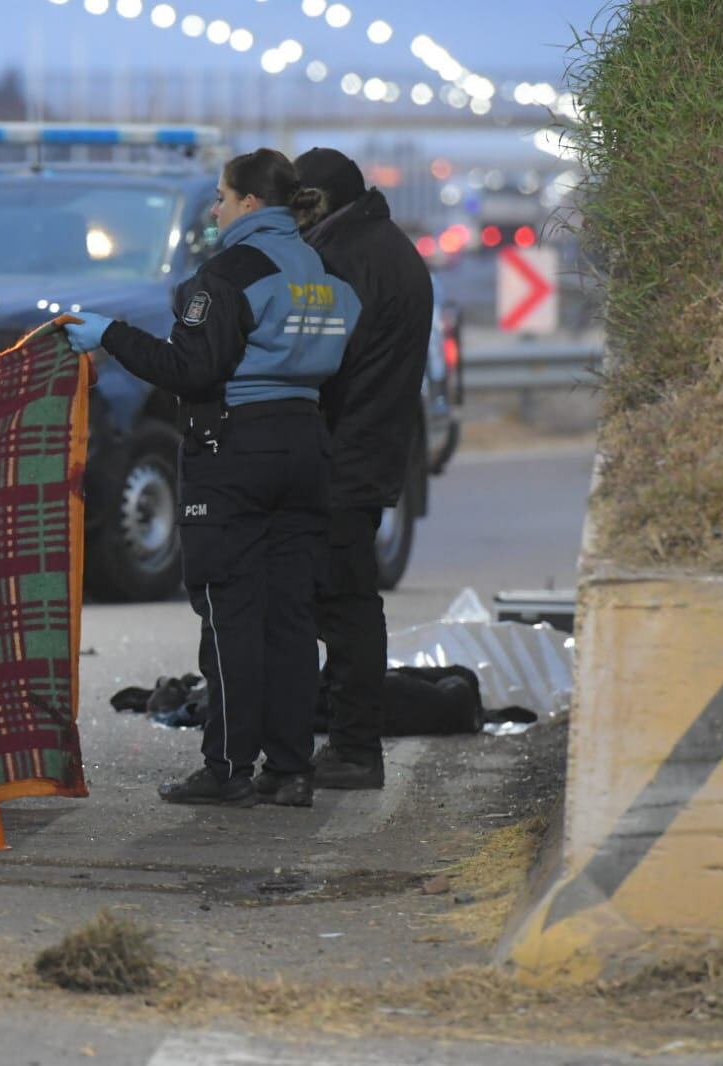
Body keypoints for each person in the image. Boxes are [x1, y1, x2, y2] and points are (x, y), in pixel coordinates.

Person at [63, 149, 361, 808]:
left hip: (235, 451)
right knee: (289, 620)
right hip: (305, 447)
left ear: (250, 203)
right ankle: (288, 770)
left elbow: (192, 370)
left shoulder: (227, 273)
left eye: (222, 197)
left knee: (228, 616)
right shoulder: (322, 270)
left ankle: (225, 767)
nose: (216, 209)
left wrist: (108, 335)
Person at [291, 147, 434, 790]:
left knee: (344, 604)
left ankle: (353, 749)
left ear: (318, 203)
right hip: (371, 448)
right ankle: (348, 740)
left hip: (343, 452)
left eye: (296, 205)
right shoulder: (386, 245)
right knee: (346, 599)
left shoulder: (339, 259)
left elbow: (321, 365)